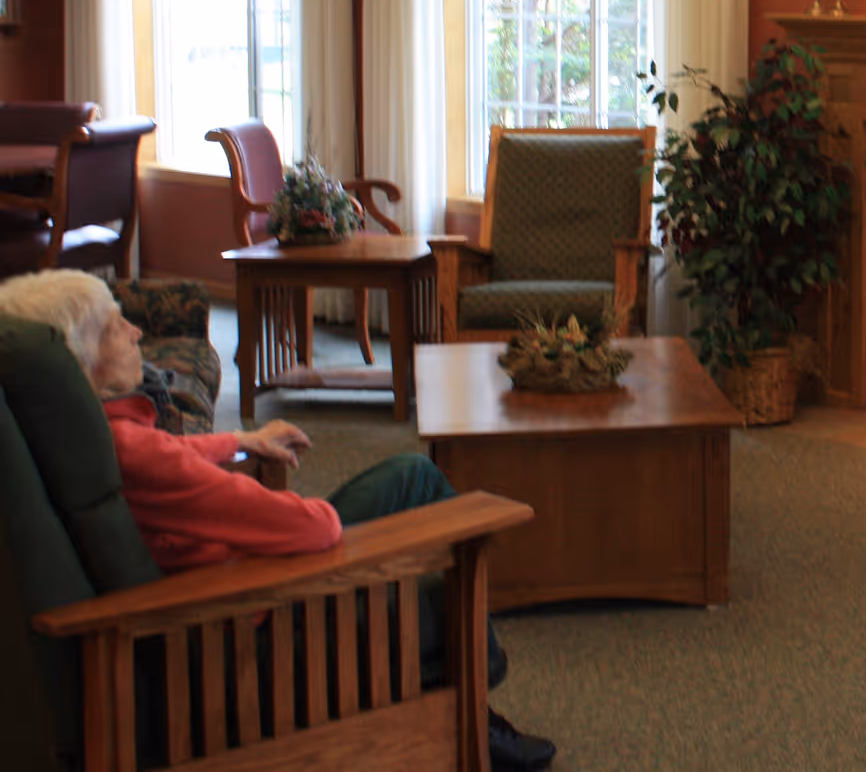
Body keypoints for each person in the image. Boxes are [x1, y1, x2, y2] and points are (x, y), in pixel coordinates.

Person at [0, 270, 556, 772]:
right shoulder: (139, 454)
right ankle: (473, 707)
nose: (136, 332)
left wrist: (237, 440)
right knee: (432, 529)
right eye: (114, 327)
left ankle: (465, 697)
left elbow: (166, 457)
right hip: (254, 624)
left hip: (224, 598)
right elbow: (317, 530)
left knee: (413, 477)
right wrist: (313, 518)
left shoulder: (96, 439)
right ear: (82, 365)